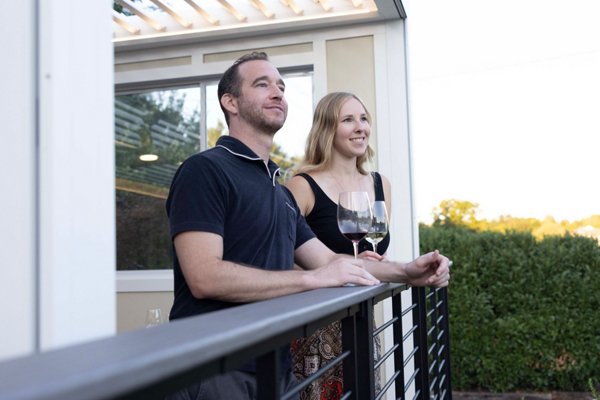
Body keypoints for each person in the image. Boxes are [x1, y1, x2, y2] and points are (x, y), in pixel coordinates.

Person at [165, 52, 450, 400]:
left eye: (281, 87)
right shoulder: (205, 170)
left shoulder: (277, 190)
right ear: (230, 102)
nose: (277, 93)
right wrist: (309, 280)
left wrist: (408, 271)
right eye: (262, 84)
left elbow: (333, 263)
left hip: (275, 367)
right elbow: (204, 277)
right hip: (215, 369)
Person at [286, 92, 391, 399]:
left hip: (362, 322)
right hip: (315, 328)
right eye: (348, 120)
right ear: (327, 129)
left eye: (363, 118)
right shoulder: (302, 185)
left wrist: (379, 265)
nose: (360, 127)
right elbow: (280, 258)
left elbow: (377, 251)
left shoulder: (380, 185)